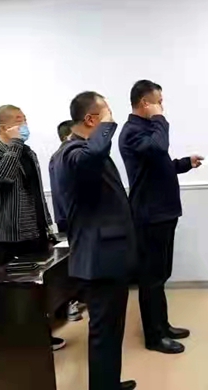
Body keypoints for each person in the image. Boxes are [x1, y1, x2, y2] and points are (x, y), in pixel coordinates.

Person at [56, 91, 137, 390]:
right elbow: (92, 157)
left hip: (109, 255)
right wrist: (107, 127)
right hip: (99, 258)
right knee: (104, 331)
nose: (111, 118)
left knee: (112, 329)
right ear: (91, 119)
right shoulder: (73, 152)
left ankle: (108, 383)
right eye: (106, 113)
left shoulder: (83, 150)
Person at [119, 80, 203, 354]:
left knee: (161, 274)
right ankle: (154, 337)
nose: (162, 107)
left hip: (164, 212)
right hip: (149, 214)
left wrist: (184, 163)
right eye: (158, 102)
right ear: (145, 103)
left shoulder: (146, 131)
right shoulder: (132, 132)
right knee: (151, 278)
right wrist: (160, 120)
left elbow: (158, 163)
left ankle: (163, 326)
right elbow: (157, 148)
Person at [0, 104, 66, 351]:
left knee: (39, 290)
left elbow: (36, 191)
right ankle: (17, 344)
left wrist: (47, 225)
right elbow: (3, 177)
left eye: (25, 119)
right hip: (8, 235)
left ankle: (41, 337)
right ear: (3, 127)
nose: (24, 125)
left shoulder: (28, 152)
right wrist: (15, 144)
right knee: (14, 295)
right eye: (19, 121)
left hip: (35, 230)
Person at [49, 119, 82, 322]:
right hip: (69, 218)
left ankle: (79, 297)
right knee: (71, 262)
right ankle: (70, 303)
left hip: (74, 217)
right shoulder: (61, 157)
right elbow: (62, 193)